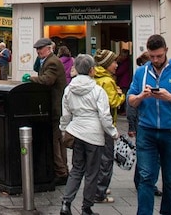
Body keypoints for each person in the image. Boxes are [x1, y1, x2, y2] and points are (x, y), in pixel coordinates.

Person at [127, 34, 171, 215]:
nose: (155, 60)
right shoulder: (141, 72)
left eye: (159, 56)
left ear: (166, 51)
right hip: (147, 131)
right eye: (152, 56)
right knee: (145, 177)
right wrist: (142, 96)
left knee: (169, 179)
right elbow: (131, 100)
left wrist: (170, 98)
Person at [59, 54, 119, 215]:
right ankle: (86, 207)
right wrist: (113, 132)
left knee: (77, 168)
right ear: (92, 70)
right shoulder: (98, 91)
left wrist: (63, 128)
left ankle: (66, 202)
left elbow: (65, 114)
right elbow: (104, 116)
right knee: (92, 172)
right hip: (94, 135)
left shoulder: (69, 89)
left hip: (76, 131)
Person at [29, 37, 69, 185]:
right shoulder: (46, 61)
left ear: (49, 48)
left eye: (40, 49)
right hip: (54, 107)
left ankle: (61, 172)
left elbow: (47, 80)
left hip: (55, 108)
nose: (38, 51)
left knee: (56, 142)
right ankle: (63, 170)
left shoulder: (52, 62)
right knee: (58, 140)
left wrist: (31, 79)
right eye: (37, 49)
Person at [127, 52, 162, 197]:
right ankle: (145, 182)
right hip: (144, 123)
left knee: (146, 155)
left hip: (150, 123)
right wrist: (132, 126)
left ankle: (142, 181)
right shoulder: (140, 77)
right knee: (147, 156)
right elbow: (131, 103)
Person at [92, 49, 125, 205]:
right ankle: (100, 192)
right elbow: (113, 102)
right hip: (106, 124)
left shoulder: (94, 77)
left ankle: (97, 187)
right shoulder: (107, 81)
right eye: (114, 62)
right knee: (106, 159)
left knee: (97, 159)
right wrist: (121, 95)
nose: (116, 65)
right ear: (106, 64)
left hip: (94, 124)